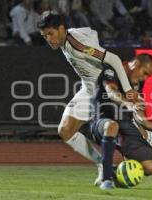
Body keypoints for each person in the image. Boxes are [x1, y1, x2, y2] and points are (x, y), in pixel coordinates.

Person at [37, 11, 138, 185]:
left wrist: (128, 90)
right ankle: (103, 165)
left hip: (103, 88)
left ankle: (113, 173)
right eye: (45, 36)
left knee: (124, 135)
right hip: (88, 88)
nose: (49, 39)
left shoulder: (77, 45)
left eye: (51, 33)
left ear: (62, 29)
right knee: (65, 130)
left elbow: (113, 59)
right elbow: (90, 32)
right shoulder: (68, 38)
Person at [86, 53, 152, 189]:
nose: (144, 78)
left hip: (125, 123)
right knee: (112, 126)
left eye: (147, 76)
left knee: (151, 167)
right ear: (136, 64)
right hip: (101, 119)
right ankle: (106, 177)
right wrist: (126, 103)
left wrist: (144, 121)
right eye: (145, 73)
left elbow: (137, 102)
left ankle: (116, 173)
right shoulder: (113, 69)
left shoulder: (137, 81)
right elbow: (111, 92)